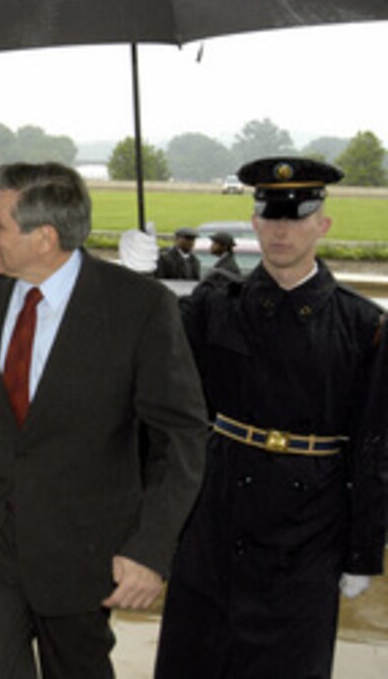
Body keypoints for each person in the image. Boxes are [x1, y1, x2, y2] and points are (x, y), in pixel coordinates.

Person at [0, 162, 208, 679]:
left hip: (81, 551)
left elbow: (180, 439)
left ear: (44, 237)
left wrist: (150, 549)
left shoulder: (139, 306)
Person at [154, 158, 388, 678]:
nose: (282, 231)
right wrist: (143, 283)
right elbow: (158, 377)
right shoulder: (215, 305)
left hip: (307, 534)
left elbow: (374, 446)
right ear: (254, 223)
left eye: (297, 218)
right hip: (216, 520)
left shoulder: (361, 324)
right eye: (271, 217)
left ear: (322, 224)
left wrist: (363, 551)